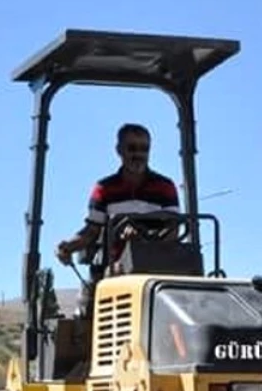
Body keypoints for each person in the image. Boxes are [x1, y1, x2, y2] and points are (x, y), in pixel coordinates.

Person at [54, 123, 181, 314]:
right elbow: (91, 231)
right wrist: (68, 247)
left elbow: (174, 230)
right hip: (115, 269)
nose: (138, 154)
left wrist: (144, 240)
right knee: (88, 304)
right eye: (132, 148)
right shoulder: (105, 188)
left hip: (157, 268)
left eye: (144, 149)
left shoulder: (165, 187)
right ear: (119, 150)